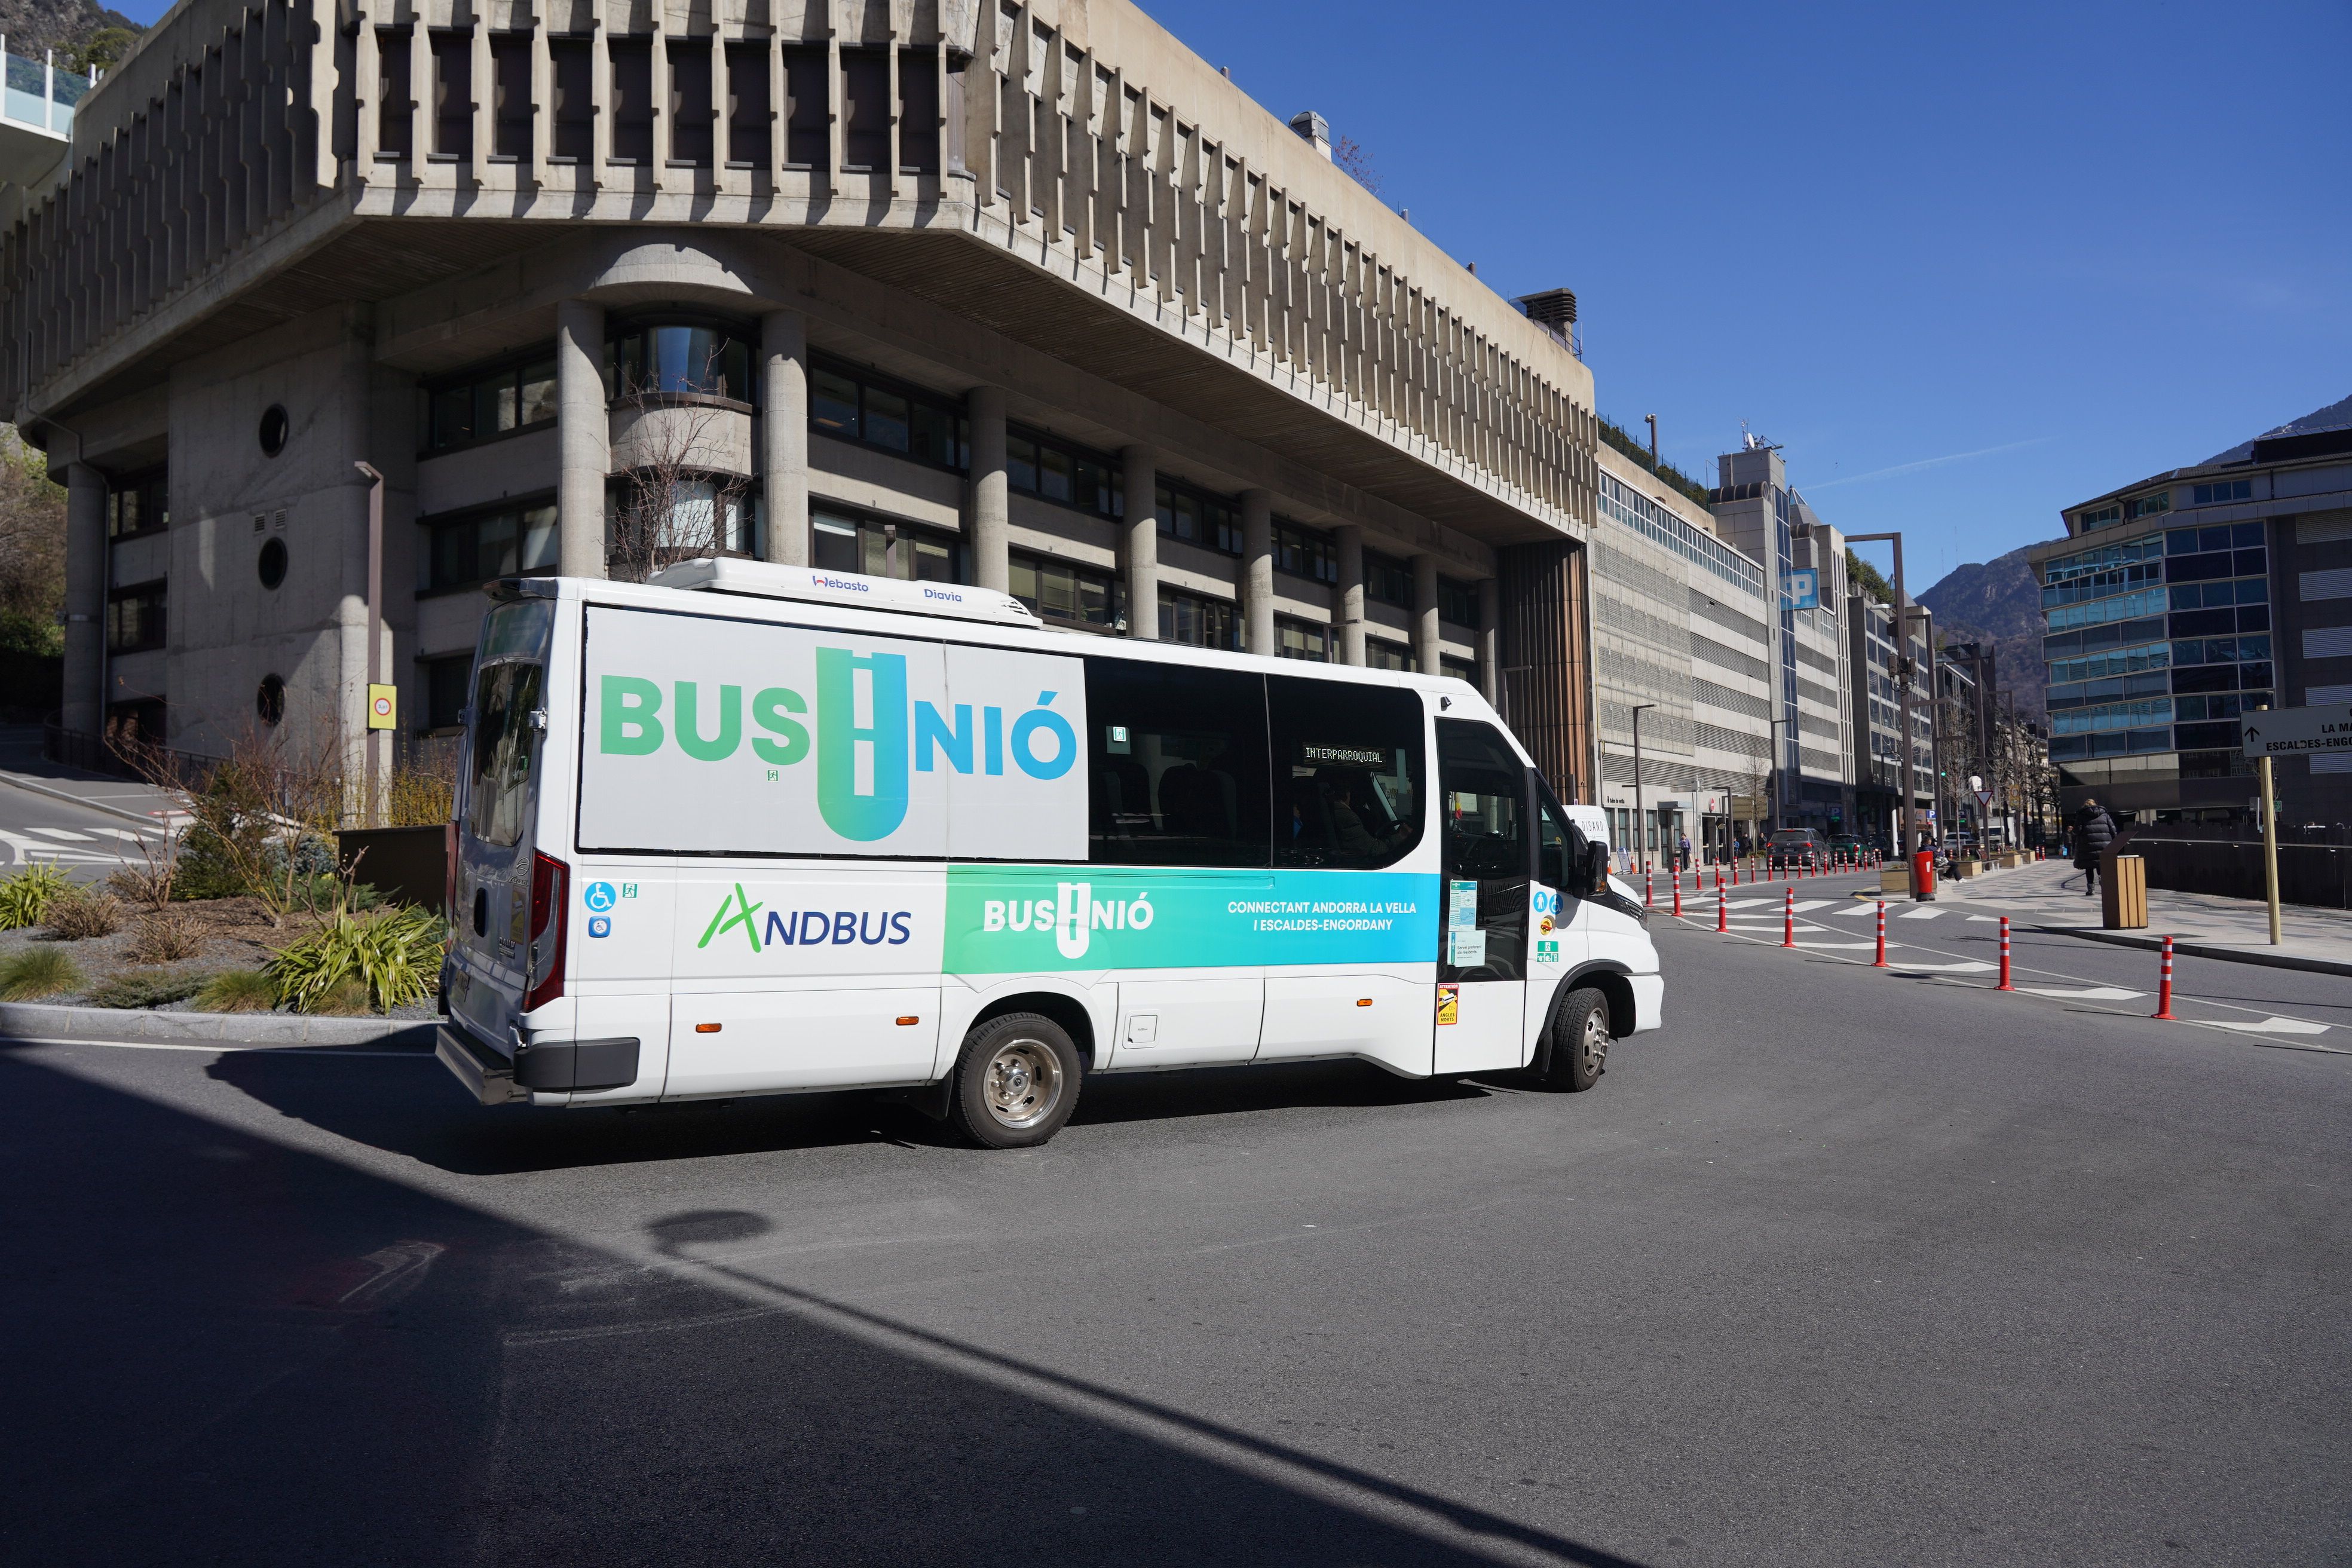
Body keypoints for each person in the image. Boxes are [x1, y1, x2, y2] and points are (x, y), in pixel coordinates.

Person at [2073, 797, 2117, 897]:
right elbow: (2113, 829)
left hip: (2087, 846)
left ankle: (2091, 889)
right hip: (2104, 845)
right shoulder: (2105, 815)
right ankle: (2103, 883)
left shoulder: (2081, 816)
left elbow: (2077, 831)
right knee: (2101, 865)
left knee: (2089, 868)